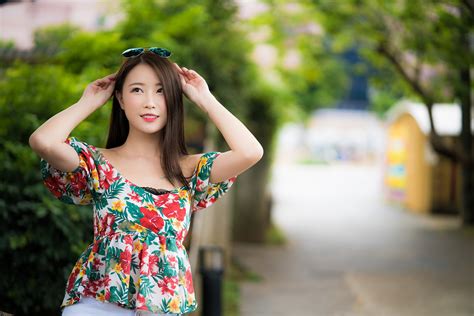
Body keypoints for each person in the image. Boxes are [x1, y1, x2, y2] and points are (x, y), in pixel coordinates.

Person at [29, 47, 264, 316]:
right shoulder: (97, 163)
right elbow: (43, 141)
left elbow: (250, 152)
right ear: (120, 98)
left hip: (162, 305)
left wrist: (205, 99)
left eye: (161, 90)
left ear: (175, 99)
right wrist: (90, 101)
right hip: (98, 302)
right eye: (137, 90)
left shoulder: (190, 170)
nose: (149, 102)